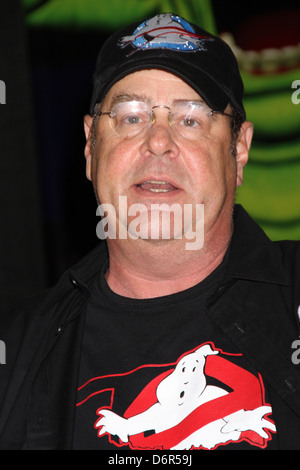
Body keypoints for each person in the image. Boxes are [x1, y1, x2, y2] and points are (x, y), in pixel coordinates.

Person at [1, 12, 300, 451]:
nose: (158, 142)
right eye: (130, 117)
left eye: (191, 119)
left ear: (239, 150)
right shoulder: (16, 351)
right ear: (90, 145)